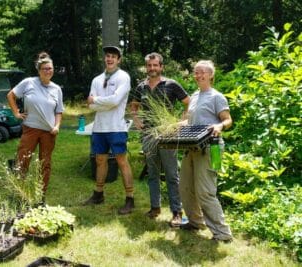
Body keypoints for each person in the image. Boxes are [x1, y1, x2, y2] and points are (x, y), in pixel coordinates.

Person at [130, 52, 190, 227]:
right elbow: (133, 105)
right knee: (152, 173)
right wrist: (136, 120)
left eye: (155, 65)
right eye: (149, 65)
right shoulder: (141, 87)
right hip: (148, 135)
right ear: (146, 67)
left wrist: (181, 121)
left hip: (168, 135)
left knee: (172, 174)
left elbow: (188, 102)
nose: (152, 68)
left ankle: (177, 212)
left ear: (161, 67)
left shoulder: (171, 84)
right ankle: (155, 208)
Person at [179, 60, 233, 242]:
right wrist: (175, 126)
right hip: (192, 147)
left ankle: (222, 233)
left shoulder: (216, 96)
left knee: (205, 191)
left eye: (202, 72)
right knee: (185, 187)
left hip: (211, 148)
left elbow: (227, 120)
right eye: (196, 72)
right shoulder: (194, 96)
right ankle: (195, 222)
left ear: (211, 75)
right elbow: (190, 122)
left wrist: (219, 125)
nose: (199, 75)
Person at [83, 46, 135, 215]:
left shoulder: (123, 77)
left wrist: (98, 101)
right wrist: (102, 103)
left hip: (116, 127)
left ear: (118, 59)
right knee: (99, 160)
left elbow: (115, 101)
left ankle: (130, 199)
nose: (109, 59)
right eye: (107, 56)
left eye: (113, 56)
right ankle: (98, 195)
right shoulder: (96, 79)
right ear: (104, 59)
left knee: (121, 161)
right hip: (99, 127)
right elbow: (90, 105)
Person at [6, 52, 64, 195]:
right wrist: (16, 113)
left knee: (45, 164)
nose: (48, 71)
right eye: (45, 69)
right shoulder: (28, 82)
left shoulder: (57, 89)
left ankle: (40, 195)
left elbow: (59, 111)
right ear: (39, 70)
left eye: (50, 68)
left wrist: (57, 126)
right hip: (30, 129)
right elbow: (11, 95)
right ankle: (18, 192)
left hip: (48, 132)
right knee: (22, 160)